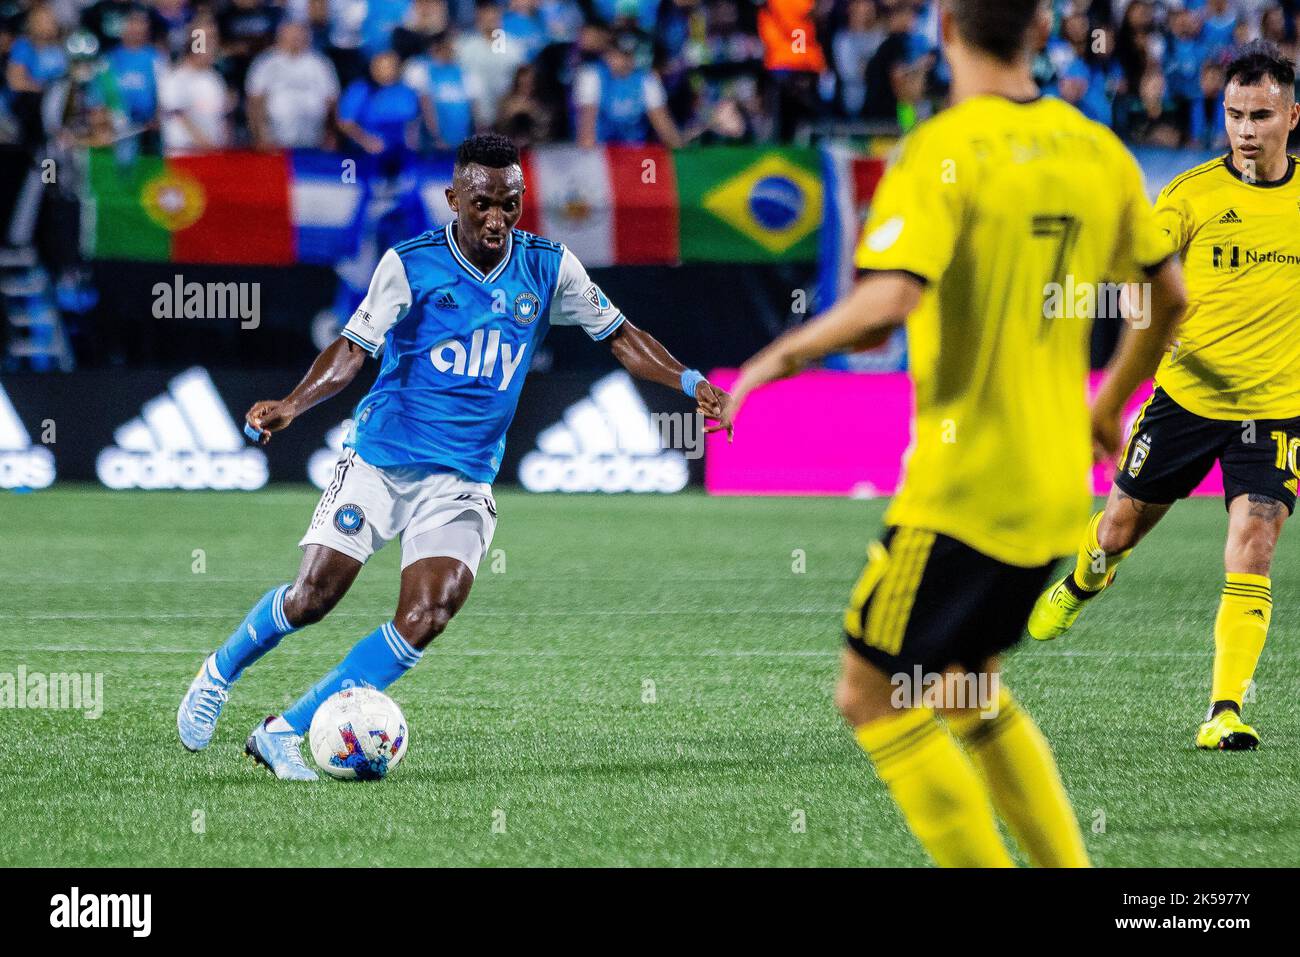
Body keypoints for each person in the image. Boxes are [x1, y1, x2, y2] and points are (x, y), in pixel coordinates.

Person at [714, 0, 1186, 866]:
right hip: (1055, 488)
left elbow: (883, 309)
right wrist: (1105, 404)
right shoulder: (1098, 151)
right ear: (1041, 33)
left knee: (871, 694)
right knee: (968, 689)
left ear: (943, 34)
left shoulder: (941, 149)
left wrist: (770, 362)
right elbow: (1168, 297)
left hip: (966, 488)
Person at [177, 133, 731, 780]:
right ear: (452, 200)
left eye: (510, 204)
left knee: (426, 613)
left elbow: (623, 338)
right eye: (482, 204)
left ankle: (283, 730)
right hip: (383, 460)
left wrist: (694, 384)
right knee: (313, 597)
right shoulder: (409, 264)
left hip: (463, 479)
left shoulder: (549, 266)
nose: (496, 218)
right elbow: (355, 347)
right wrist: (293, 404)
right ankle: (219, 671)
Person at [1029, 42, 1300, 753]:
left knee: (1254, 541)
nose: (1245, 128)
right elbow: (1135, 265)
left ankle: (1224, 710)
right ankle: (1088, 577)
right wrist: (1145, 314)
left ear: (1292, 116)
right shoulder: (1194, 192)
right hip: (1186, 399)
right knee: (1118, 529)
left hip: (1275, 408)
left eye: (1261, 114)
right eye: (1235, 114)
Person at [573, 29, 680, 146]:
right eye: (618, 53)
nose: (623, 60)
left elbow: (663, 124)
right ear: (607, 54)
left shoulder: (646, 80)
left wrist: (678, 148)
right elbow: (587, 126)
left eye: (628, 54)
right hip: (600, 152)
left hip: (634, 150)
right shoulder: (592, 75)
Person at [246, 19, 340, 148]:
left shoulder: (321, 63)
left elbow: (331, 101)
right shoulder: (265, 63)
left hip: (314, 141)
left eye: (300, 34)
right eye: (291, 34)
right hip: (275, 142)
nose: (296, 38)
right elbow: (255, 102)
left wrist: (331, 134)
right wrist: (260, 136)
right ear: (280, 36)